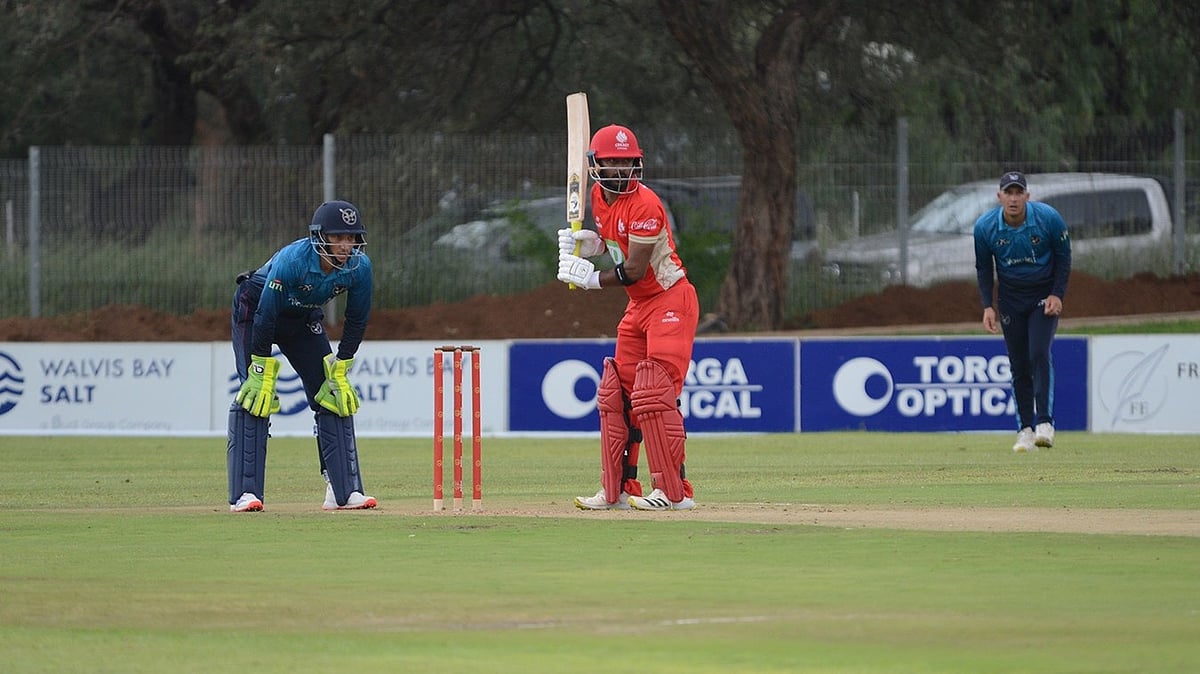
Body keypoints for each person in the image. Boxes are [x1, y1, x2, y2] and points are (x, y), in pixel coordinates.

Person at [556, 124, 700, 511]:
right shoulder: (599, 200)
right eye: (612, 162)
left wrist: (590, 278)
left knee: (655, 393)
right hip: (640, 306)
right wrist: (591, 242)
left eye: (626, 162)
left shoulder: (647, 204)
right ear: (596, 166)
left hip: (670, 299)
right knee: (616, 393)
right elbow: (614, 240)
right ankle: (618, 490)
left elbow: (634, 269)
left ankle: (675, 492)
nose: (620, 169)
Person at [227, 200, 377, 512]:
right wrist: (258, 368)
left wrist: (343, 362)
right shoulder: (293, 260)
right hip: (254, 311)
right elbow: (265, 316)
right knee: (257, 395)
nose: (346, 245)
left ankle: (342, 491)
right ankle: (245, 493)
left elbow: (358, 319)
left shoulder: (360, 268)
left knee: (332, 394)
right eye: (339, 237)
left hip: (302, 319)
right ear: (320, 237)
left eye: (351, 238)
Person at [974, 171, 1072, 452]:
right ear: (999, 197)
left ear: (1028, 196)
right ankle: (1025, 430)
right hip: (1010, 299)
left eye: (1019, 193)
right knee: (1018, 364)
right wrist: (987, 306)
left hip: (1043, 295)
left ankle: (1044, 423)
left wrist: (1057, 293)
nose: (1014, 199)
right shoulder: (985, 227)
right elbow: (983, 269)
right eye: (1009, 193)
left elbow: (1064, 257)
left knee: (1038, 353)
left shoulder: (1048, 218)